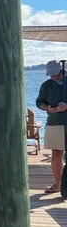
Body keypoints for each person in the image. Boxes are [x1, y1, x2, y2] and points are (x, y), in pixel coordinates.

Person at [35, 60, 67, 193]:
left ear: (62, 71)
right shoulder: (46, 85)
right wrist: (47, 107)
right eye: (51, 75)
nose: (53, 77)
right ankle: (58, 184)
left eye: (55, 74)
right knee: (56, 153)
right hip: (54, 122)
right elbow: (39, 102)